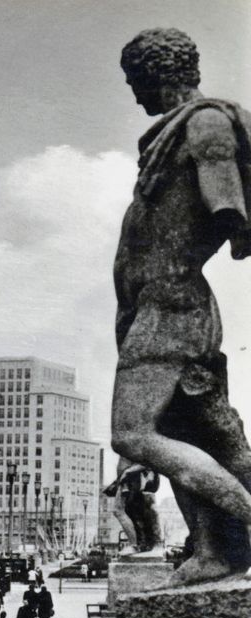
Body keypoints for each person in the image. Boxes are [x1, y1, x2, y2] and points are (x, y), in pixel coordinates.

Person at [111, 28, 251, 586]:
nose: (134, 94)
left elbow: (230, 212)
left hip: (172, 307)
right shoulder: (176, 132)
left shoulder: (205, 123)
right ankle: (217, 553)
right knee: (205, 437)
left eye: (134, 81)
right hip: (158, 309)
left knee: (133, 434)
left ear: (155, 74)